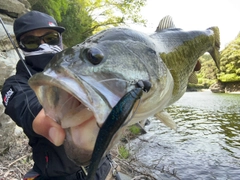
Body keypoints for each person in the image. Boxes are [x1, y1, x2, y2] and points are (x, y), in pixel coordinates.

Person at [1, 11, 118, 180]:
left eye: (51, 38)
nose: (43, 45)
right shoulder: (15, 85)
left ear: (60, 39)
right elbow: (46, 125)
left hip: (103, 167)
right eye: (32, 42)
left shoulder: (81, 65)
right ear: (20, 46)